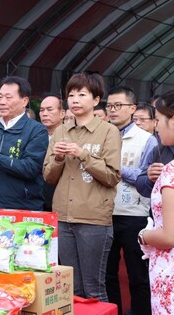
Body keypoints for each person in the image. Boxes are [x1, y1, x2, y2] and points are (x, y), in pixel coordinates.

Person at [43, 72, 121, 302]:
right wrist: (57, 158)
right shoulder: (61, 131)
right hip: (63, 218)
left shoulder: (108, 131)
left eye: (82, 94)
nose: (75, 99)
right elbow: (48, 176)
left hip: (93, 219)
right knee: (71, 288)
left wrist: (82, 154)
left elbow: (112, 175)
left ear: (96, 100)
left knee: (94, 289)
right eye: (71, 94)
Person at [105, 86, 154, 315]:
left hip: (134, 214)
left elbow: (147, 178)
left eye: (118, 106)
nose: (112, 110)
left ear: (132, 109)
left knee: (137, 276)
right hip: (104, 213)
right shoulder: (103, 134)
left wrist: (117, 170)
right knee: (107, 273)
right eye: (109, 106)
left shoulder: (147, 140)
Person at [0, 76, 49, 213]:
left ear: (24, 101)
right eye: (0, 97)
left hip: (24, 211)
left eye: (8, 97)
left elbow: (32, 168)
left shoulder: (36, 130)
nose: (2, 102)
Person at [137, 90, 174, 314]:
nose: (156, 127)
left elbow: (169, 236)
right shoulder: (158, 153)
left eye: (158, 120)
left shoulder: (171, 172)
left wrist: (143, 236)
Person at [39, 95, 65, 212]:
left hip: (61, 199)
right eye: (41, 110)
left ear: (62, 113)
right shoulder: (35, 137)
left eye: (49, 110)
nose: (44, 114)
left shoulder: (70, 137)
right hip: (37, 199)